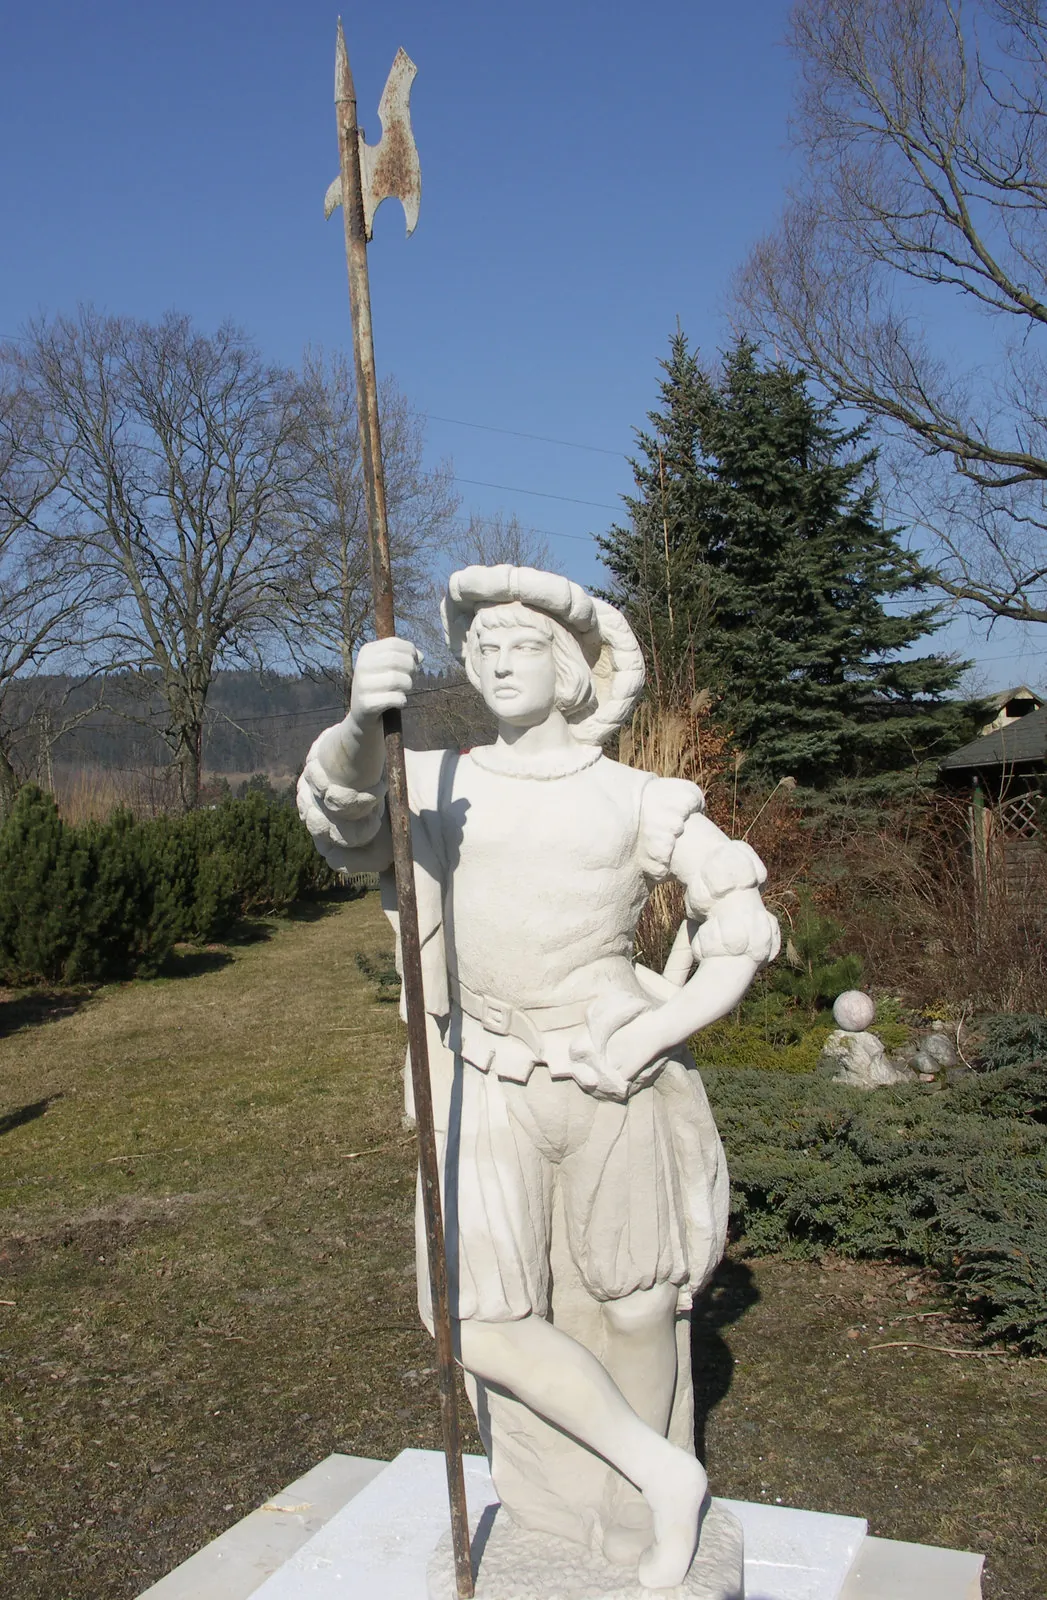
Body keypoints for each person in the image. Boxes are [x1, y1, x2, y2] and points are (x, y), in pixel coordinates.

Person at [297, 566, 778, 1589]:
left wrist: (661, 1032)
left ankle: (626, 1512)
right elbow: (341, 820)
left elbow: (741, 925)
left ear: (570, 670)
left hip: (612, 1084)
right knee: (469, 1314)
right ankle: (660, 1471)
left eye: (522, 644)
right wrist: (357, 721)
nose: (499, 659)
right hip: (481, 1080)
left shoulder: (639, 798)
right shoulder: (431, 780)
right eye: (484, 648)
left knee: (636, 1302)